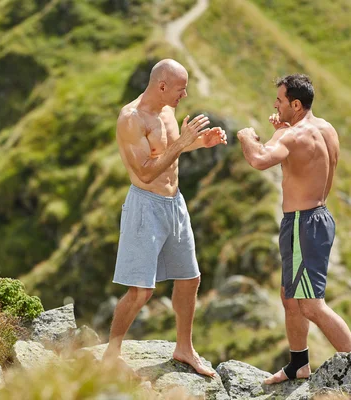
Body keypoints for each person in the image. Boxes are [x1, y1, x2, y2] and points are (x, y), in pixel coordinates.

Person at [101, 59, 227, 377]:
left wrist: (200, 142)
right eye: (181, 89)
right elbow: (144, 171)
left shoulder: (168, 111)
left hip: (176, 203)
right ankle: (111, 355)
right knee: (141, 291)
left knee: (190, 278)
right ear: (162, 86)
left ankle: (184, 348)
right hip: (146, 206)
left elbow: (171, 150)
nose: (184, 95)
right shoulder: (131, 119)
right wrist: (183, 142)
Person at [236, 74, 351, 384]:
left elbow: (260, 160)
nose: (275, 105)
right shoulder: (326, 129)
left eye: (280, 101)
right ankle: (298, 365)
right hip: (315, 218)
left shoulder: (290, 137)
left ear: (295, 104)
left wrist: (248, 136)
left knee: (311, 305)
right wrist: (282, 134)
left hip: (303, 223)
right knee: (290, 297)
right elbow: (309, 163)